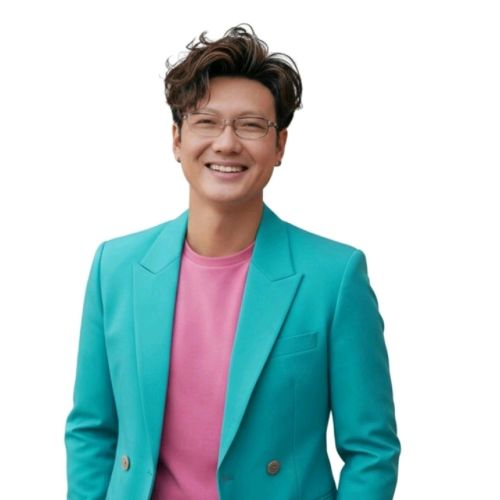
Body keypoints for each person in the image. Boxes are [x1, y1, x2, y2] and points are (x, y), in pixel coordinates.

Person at [65, 23, 401, 500]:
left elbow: (371, 450)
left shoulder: (334, 277)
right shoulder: (115, 268)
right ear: (177, 138)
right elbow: (92, 430)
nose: (226, 143)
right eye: (206, 121)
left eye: (251, 125)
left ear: (280, 146)